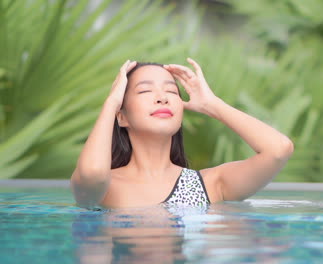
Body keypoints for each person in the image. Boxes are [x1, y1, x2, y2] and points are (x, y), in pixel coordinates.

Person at [70, 58, 294, 210]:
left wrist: (211, 105)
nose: (162, 97)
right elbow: (92, 173)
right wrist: (111, 104)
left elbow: (278, 150)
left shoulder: (209, 185)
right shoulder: (105, 187)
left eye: (171, 91)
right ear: (122, 116)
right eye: (145, 90)